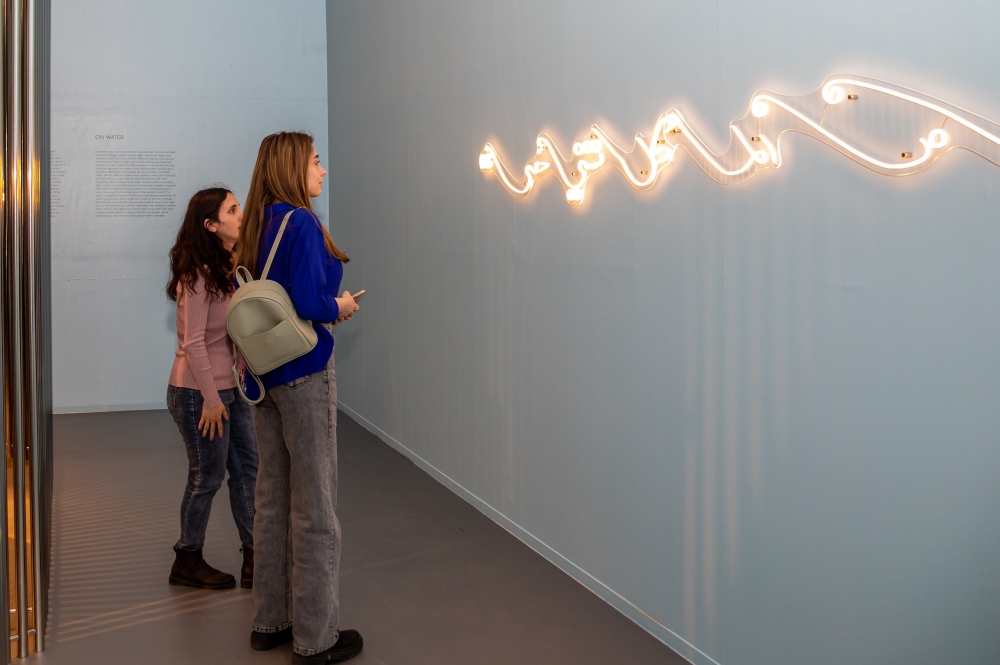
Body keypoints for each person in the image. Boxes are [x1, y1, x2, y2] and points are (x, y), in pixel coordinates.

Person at [234, 132, 363, 664]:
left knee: (271, 500)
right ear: (292, 166)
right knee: (315, 507)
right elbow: (310, 301)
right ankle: (315, 638)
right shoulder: (303, 223)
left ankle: (270, 621)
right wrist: (340, 306)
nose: (322, 170)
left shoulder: (256, 224)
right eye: (315, 160)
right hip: (305, 374)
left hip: (263, 375)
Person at [165, 187, 258, 590]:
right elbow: (194, 343)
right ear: (211, 225)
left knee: (248, 470)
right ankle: (187, 559)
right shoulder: (198, 274)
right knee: (207, 476)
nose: (241, 214)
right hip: (198, 393)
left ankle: (255, 556)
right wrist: (210, 397)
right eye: (233, 210)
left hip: (229, 389)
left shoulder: (230, 266)